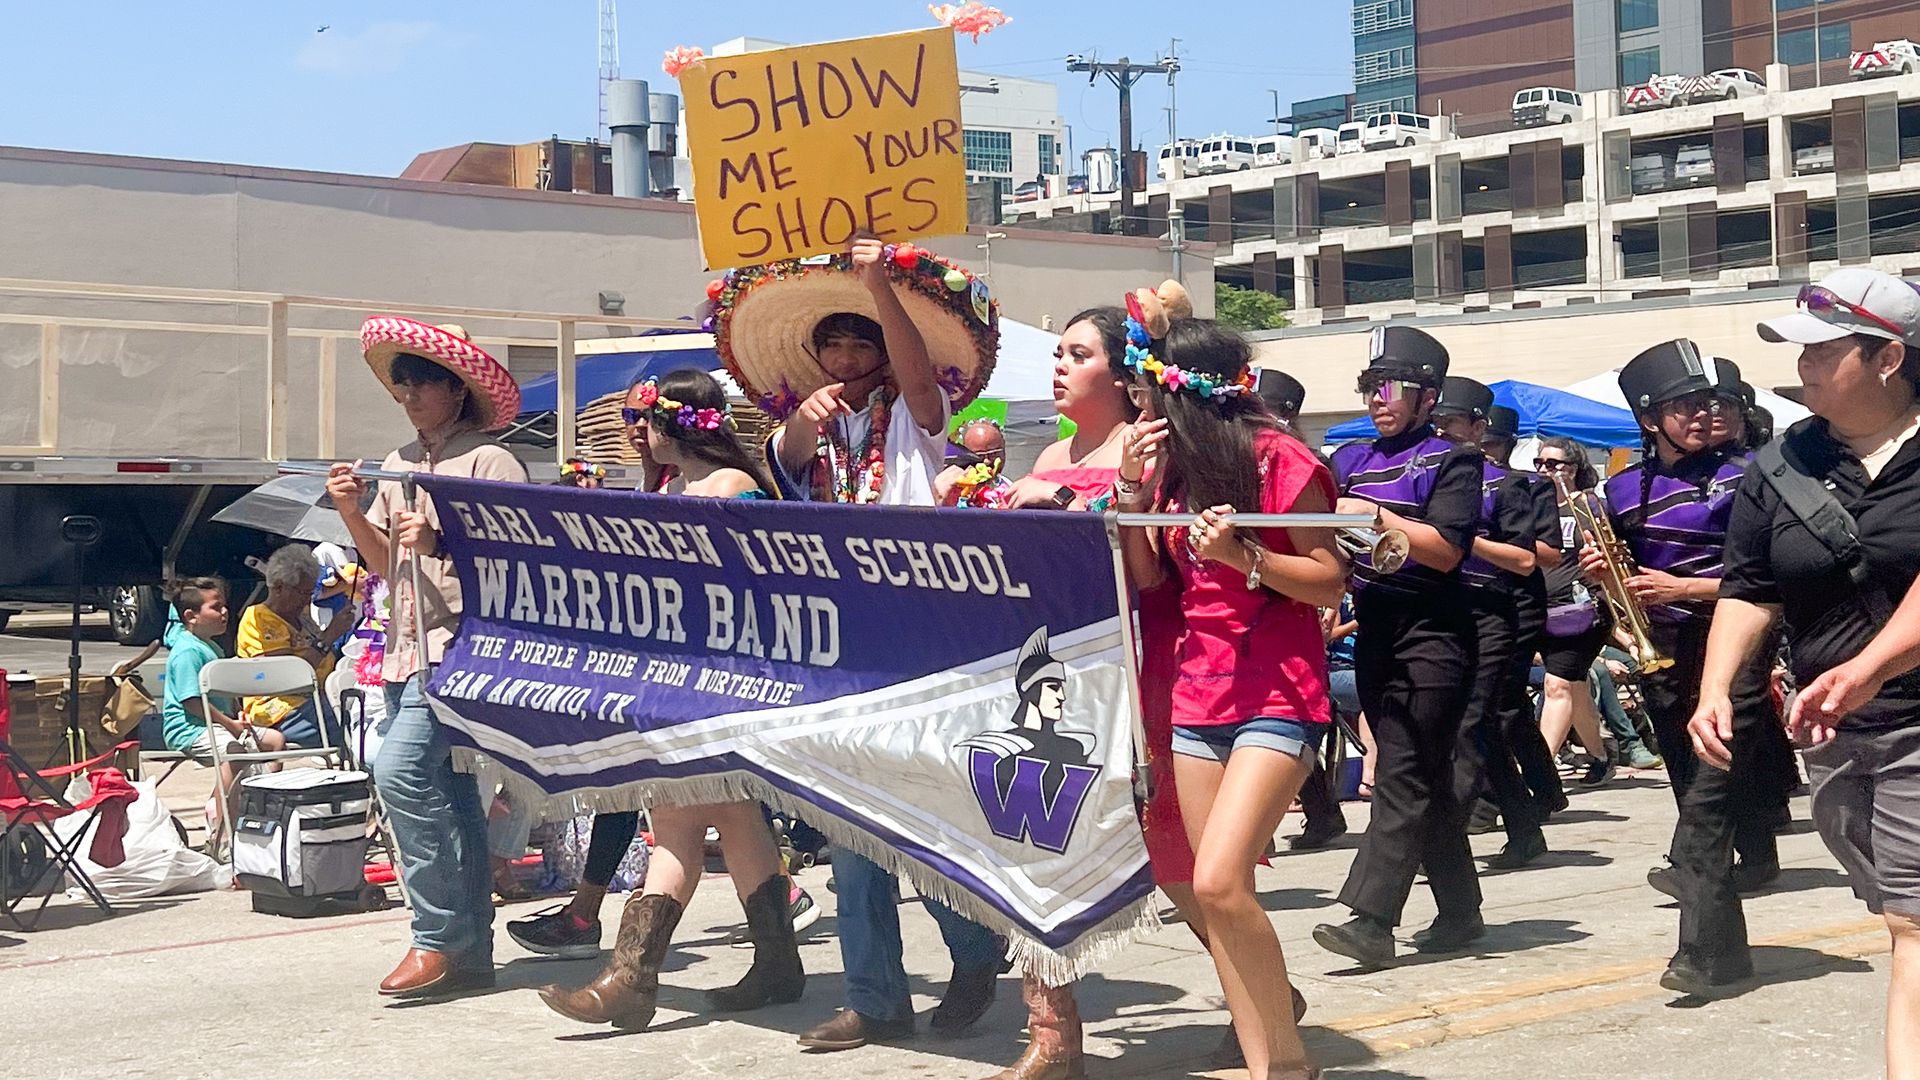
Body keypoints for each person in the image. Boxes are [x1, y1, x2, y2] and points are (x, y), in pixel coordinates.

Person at [715, 238, 1007, 1052]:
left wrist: (879, 283)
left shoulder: (923, 421)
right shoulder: (795, 431)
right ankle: (877, 995)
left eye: (861, 342)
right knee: (848, 823)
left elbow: (920, 383)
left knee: (919, 810)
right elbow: (790, 470)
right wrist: (807, 423)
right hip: (836, 640)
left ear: (883, 350)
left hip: (918, 632)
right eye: (832, 344)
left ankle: (975, 948)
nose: (845, 357)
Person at [1111, 280, 1341, 1080]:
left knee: (1218, 879)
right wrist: (1133, 496)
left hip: (1278, 692)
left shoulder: (1282, 459)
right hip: (1197, 696)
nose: (1140, 414)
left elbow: (1328, 582)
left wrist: (1246, 556)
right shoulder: (1170, 473)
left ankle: (1284, 1063)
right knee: (1214, 892)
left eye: (1147, 397)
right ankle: (1272, 1062)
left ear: (1183, 395)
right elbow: (1148, 582)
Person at [538, 369, 810, 1029]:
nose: (638, 430)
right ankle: (775, 964)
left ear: (676, 424)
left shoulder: (731, 487)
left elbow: (750, 584)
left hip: (717, 676)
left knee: (683, 817)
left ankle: (631, 977)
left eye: (648, 419)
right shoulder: (679, 486)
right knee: (728, 819)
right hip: (677, 677)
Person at [1702, 268, 1920, 1071]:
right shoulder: (1783, 462)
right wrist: (1714, 688)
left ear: (1888, 357)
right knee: (1902, 913)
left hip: (1910, 716)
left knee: (1914, 926)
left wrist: (1868, 667)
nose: (1804, 368)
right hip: (1836, 733)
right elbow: (1750, 585)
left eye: (1824, 352)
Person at [327, 318, 527, 999]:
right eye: (401, 383)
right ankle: (468, 949)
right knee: (450, 795)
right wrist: (353, 512)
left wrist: (444, 540)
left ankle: (436, 936)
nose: (408, 394)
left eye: (421, 383)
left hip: (463, 648)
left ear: (456, 389)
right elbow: (384, 565)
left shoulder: (491, 462)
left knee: (401, 771)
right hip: (406, 646)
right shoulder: (398, 461)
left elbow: (518, 567)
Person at [1583, 338, 1777, 996]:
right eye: (1682, 405)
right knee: (1697, 805)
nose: (1701, 415)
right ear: (1648, 417)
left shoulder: (1758, 472)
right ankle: (1728, 953)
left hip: (1734, 654)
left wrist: (1685, 589)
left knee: (1704, 809)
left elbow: (1775, 577)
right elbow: (1621, 585)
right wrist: (1602, 576)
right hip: (1661, 662)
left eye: (1709, 401)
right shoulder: (1618, 491)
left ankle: (1698, 955)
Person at [1313, 327, 1485, 969]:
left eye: (1392, 388)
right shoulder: (1348, 458)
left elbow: (1445, 551)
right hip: (1375, 629)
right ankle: (1461, 911)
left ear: (1427, 396)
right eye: (1369, 387)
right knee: (1429, 780)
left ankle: (1372, 918)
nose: (1378, 399)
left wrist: (1377, 519)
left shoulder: (1453, 459)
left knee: (1403, 771)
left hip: (1436, 632)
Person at [1431, 381, 1556, 870]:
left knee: (1474, 722)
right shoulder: (1434, 476)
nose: (1441, 431)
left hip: (1500, 610)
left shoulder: (1507, 485)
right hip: (1449, 609)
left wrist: (1461, 541)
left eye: (1451, 423)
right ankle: (1524, 825)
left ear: (1478, 429)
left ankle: (1445, 838)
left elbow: (1526, 559)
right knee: (1480, 726)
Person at [1533, 438, 1632, 780]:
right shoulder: (1533, 508)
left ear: (1572, 469)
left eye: (1553, 464)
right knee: (1573, 688)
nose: (1544, 470)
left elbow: (1610, 559)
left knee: (1557, 687)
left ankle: (1538, 776)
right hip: (1540, 611)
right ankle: (1602, 756)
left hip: (1581, 612)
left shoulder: (1588, 506)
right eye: (1539, 463)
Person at [161, 576, 285, 844]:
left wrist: (237, 714)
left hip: (217, 723)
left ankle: (261, 810)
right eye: (216, 607)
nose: (225, 612)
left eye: (224, 606)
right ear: (191, 616)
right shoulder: (187, 652)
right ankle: (223, 831)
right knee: (235, 753)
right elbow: (192, 702)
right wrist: (230, 725)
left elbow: (222, 696)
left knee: (274, 740)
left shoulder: (210, 646)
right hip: (189, 728)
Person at [234, 545, 352, 750]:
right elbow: (288, 676)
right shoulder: (259, 618)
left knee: (362, 704)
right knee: (350, 721)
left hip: (318, 698)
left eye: (311, 592)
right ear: (279, 587)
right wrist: (330, 635)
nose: (308, 599)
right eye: (303, 592)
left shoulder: (302, 617)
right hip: (279, 710)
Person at [938, 417, 1016, 508]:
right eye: (979, 456)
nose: (986, 461)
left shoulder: (1011, 489)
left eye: (994, 454)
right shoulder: (951, 488)